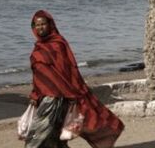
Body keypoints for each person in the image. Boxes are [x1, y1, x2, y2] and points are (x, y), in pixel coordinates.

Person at [27, 10, 124, 148]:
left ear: (50, 25)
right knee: (54, 133)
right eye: (37, 25)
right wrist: (35, 94)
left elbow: (68, 70)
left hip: (56, 98)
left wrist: (71, 92)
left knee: (38, 133)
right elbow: (38, 74)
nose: (40, 27)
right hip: (43, 96)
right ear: (33, 27)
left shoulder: (58, 44)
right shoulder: (38, 46)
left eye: (43, 24)